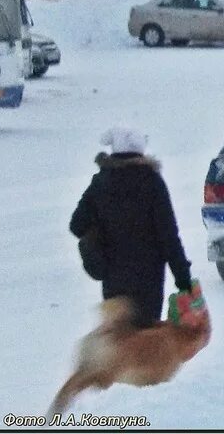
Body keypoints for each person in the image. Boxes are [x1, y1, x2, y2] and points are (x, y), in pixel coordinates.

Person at [69, 125, 193, 328]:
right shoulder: (152, 182)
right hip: (149, 281)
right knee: (144, 345)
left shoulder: (101, 183)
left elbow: (76, 225)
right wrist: (183, 279)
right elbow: (169, 236)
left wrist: (98, 236)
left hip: (113, 279)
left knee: (118, 342)